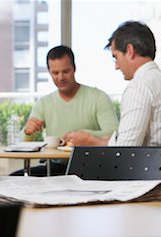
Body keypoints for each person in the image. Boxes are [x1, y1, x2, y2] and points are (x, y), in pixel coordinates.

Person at [68, 21, 161, 147]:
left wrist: (90, 141)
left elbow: (124, 150)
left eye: (116, 57)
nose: (116, 66)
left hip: (149, 165)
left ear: (130, 50)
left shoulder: (139, 86)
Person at [15, 45, 119, 176]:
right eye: (55, 73)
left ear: (74, 69)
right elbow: (23, 145)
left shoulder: (98, 98)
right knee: (14, 178)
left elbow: (114, 134)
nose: (61, 77)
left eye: (65, 71)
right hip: (55, 167)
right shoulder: (44, 103)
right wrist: (27, 131)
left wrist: (83, 136)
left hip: (91, 166)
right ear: (49, 73)